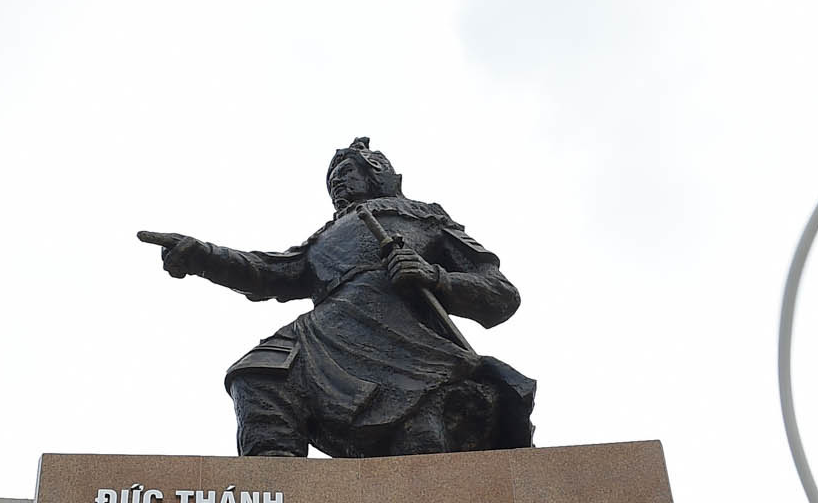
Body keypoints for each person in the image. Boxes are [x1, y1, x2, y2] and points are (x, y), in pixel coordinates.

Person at [137, 136, 536, 457]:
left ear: (376, 171)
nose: (338, 184)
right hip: (325, 335)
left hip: (409, 346)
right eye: (333, 180)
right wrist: (201, 254)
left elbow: (501, 294)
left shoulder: (428, 219)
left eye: (346, 172)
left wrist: (434, 277)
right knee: (259, 376)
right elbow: (268, 271)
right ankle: (276, 498)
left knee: (419, 448)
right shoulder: (325, 238)